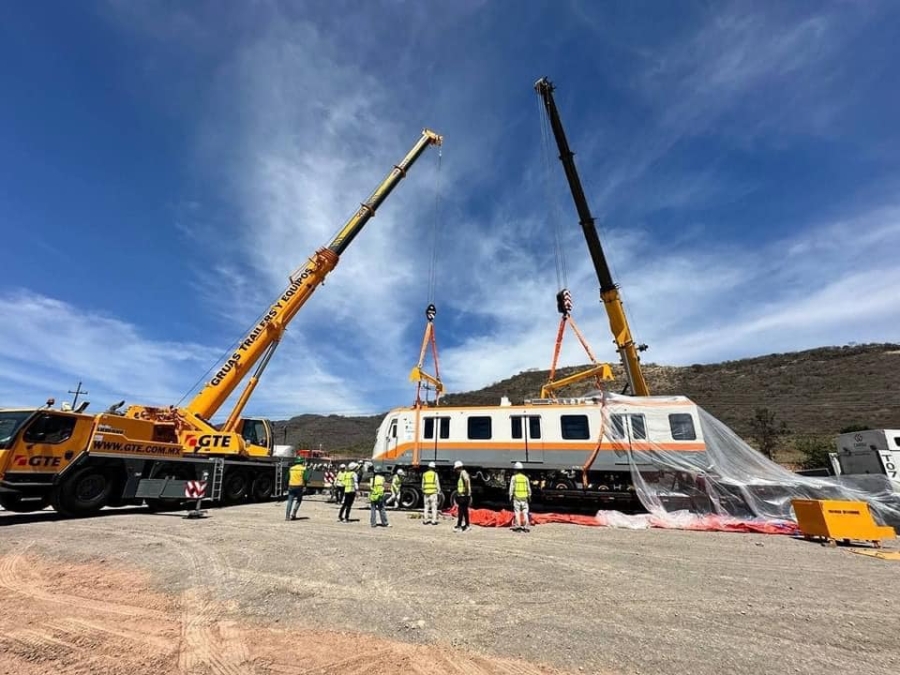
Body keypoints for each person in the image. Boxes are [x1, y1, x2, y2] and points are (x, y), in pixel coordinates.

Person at [509, 461, 531, 532]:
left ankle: (518, 526)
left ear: (515, 470)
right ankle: (526, 527)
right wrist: (529, 496)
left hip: (517, 497)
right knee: (525, 512)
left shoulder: (514, 477)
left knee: (517, 512)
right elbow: (528, 488)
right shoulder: (525, 478)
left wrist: (510, 496)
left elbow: (511, 488)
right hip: (524, 498)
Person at [285, 456, 308, 521]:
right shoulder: (303, 469)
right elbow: (305, 478)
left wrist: (286, 485)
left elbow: (287, 478)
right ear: (302, 462)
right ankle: (294, 513)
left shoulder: (291, 468)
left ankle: (287, 516)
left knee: (290, 501)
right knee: (299, 500)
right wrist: (305, 486)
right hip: (299, 486)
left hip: (291, 485)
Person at [453, 460, 471, 532]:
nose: (456, 471)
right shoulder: (464, 473)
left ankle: (459, 526)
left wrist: (465, 490)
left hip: (463, 496)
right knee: (465, 511)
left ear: (458, 468)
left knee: (460, 511)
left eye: (456, 469)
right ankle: (467, 525)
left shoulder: (463, 473)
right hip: (465, 496)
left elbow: (466, 480)